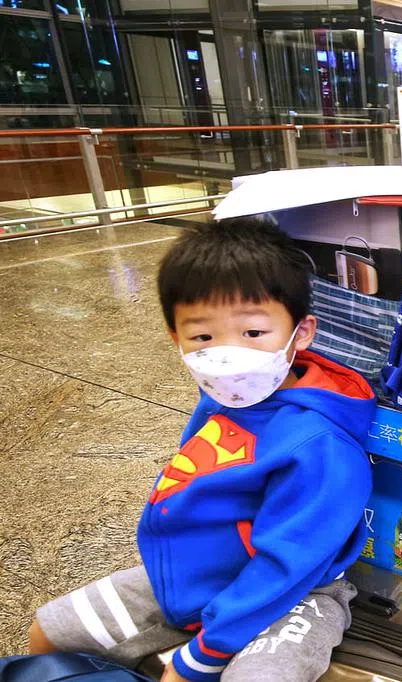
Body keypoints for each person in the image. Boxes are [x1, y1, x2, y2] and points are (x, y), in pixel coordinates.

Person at [27, 219, 376, 682]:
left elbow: (290, 564)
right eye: (203, 338)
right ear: (176, 337)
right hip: (198, 572)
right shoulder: (222, 399)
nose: (228, 356)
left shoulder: (322, 445)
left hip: (297, 591)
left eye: (253, 333)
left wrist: (202, 655)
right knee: (50, 630)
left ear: (302, 332)